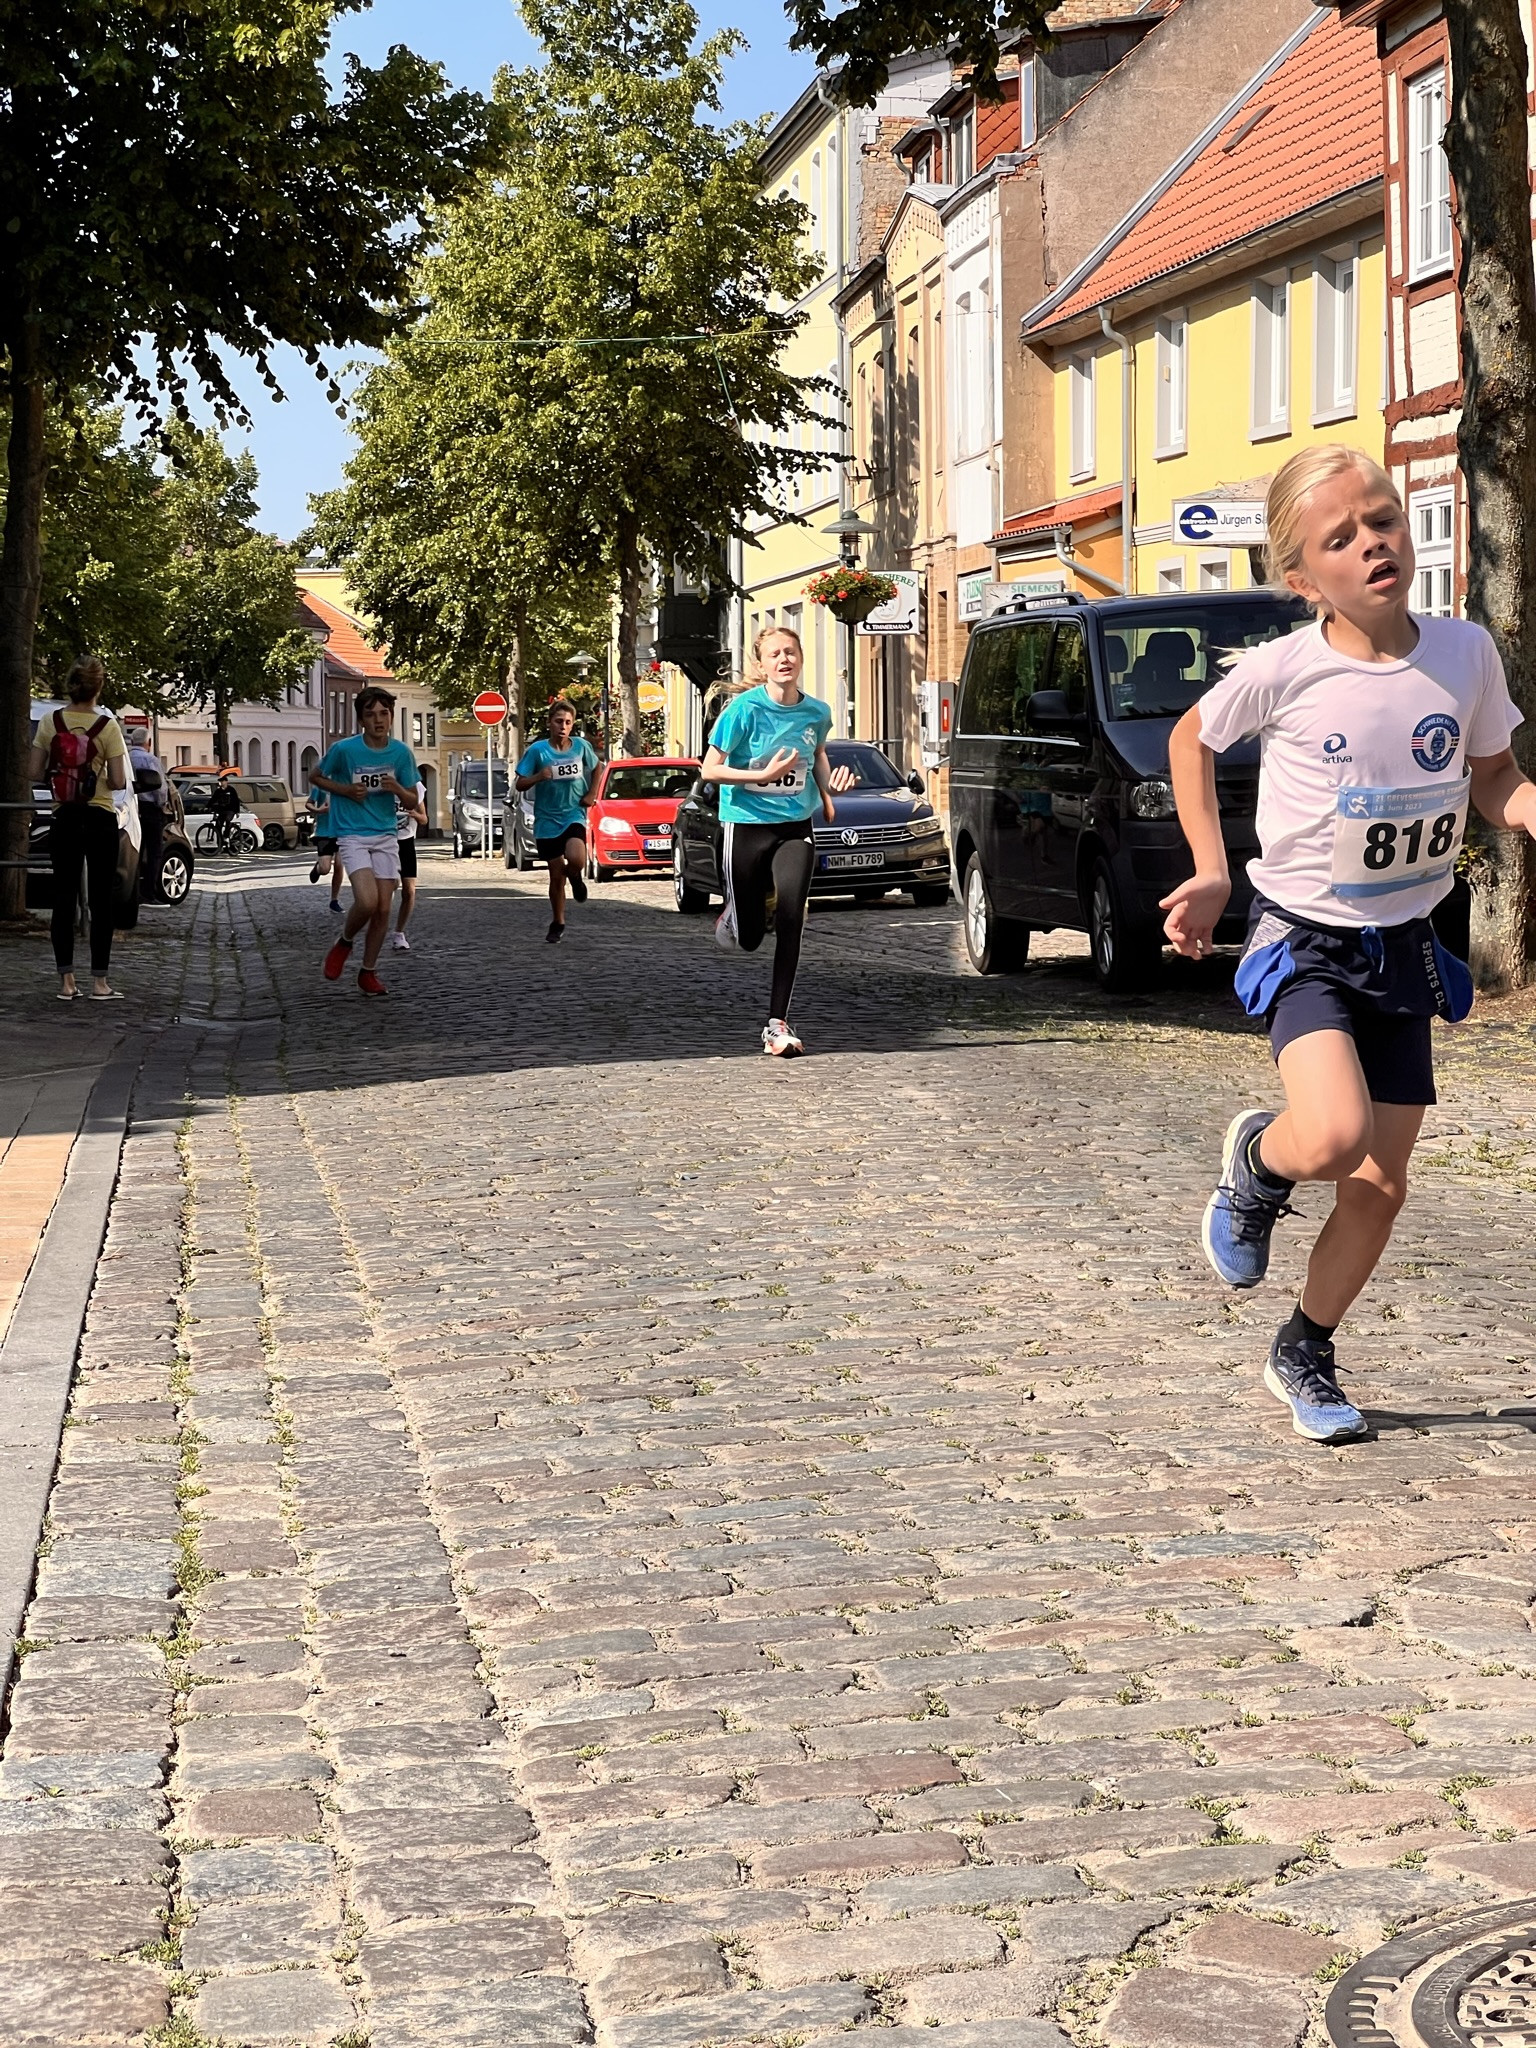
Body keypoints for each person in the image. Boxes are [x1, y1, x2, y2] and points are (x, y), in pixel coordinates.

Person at [1161, 445, 1535, 1444]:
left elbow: (1494, 778)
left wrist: (1529, 806)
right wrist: (1210, 869)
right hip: (1305, 939)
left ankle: (1304, 1348)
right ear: (1302, 578)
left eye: (1384, 520)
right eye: (1342, 537)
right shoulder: (1286, 669)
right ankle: (1259, 1160)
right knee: (1332, 1136)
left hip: (1404, 945)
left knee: (1379, 1185)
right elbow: (1191, 738)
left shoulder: (1465, 653)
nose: (1374, 543)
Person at [701, 625, 835, 1057]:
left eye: (790, 652)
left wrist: (829, 790)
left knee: (794, 916)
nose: (784, 659)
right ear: (762, 664)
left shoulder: (816, 712)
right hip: (745, 825)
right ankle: (735, 914)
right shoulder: (743, 711)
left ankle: (777, 1024)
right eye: (775, 654)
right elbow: (709, 769)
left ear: (801, 658)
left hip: (795, 825)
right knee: (750, 938)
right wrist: (761, 775)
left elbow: (816, 754)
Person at [27, 656, 128, 1001]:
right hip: (100, 817)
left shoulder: (50, 722)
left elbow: (34, 772)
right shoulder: (108, 727)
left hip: (65, 817)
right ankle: (100, 983)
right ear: (99, 687)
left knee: (63, 898)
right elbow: (119, 781)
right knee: (101, 901)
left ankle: (67, 982)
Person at [311, 686, 420, 996]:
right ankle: (344, 942)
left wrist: (397, 789)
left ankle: (368, 972)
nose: (378, 720)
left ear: (391, 716)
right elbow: (316, 777)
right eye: (371, 715)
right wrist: (345, 790)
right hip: (352, 834)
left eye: (384, 713)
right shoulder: (345, 750)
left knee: (384, 909)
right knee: (368, 901)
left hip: (386, 834)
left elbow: (413, 800)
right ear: (361, 719)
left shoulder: (401, 753)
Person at [515, 701, 598, 944]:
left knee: (577, 859)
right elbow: (520, 783)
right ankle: (558, 922)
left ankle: (576, 877)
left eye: (568, 722)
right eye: (559, 721)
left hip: (573, 813)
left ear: (572, 725)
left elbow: (597, 767)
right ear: (550, 723)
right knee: (555, 874)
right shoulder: (538, 751)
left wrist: (592, 793)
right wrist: (539, 776)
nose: (563, 726)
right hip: (547, 819)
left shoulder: (581, 746)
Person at [391, 774, 428, 950]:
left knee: (409, 891)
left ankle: (399, 933)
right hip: (386, 841)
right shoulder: (384, 783)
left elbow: (424, 819)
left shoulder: (416, 786)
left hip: (406, 841)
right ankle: (380, 923)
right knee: (390, 885)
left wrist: (415, 814)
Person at [127, 732, 165, 900]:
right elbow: (160, 789)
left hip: (130, 807)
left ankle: (132, 890)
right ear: (148, 742)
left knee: (134, 851)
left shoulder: (126, 758)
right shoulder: (150, 760)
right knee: (154, 852)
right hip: (150, 808)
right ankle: (149, 891)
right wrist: (161, 804)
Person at [209, 774, 241, 853]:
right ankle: (220, 844)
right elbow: (213, 799)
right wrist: (208, 806)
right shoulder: (218, 791)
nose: (221, 783)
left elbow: (236, 800)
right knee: (218, 826)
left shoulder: (231, 790)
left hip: (230, 810)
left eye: (222, 781)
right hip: (221, 811)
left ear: (226, 782)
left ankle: (226, 837)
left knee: (227, 820)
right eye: (220, 782)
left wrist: (237, 811)